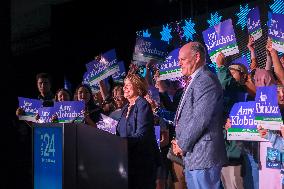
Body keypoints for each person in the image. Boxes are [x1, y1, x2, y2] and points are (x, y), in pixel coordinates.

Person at [171, 42, 227, 189]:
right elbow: (187, 116)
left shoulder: (205, 79)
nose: (179, 64)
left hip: (204, 154)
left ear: (196, 57)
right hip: (194, 155)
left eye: (182, 59)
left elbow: (199, 119)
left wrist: (182, 144)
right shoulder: (195, 80)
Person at [116, 74, 160, 189]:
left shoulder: (142, 105)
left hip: (142, 164)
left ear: (138, 87)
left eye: (128, 85)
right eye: (124, 85)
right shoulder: (125, 108)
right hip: (127, 162)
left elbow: (142, 135)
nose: (124, 88)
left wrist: (120, 143)